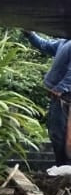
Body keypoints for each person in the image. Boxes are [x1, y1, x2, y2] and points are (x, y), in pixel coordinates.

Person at [28, 32, 71, 167]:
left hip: (65, 96)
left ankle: (64, 166)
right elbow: (45, 45)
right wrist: (30, 34)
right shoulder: (64, 42)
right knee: (56, 133)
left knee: (60, 134)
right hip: (59, 96)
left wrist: (60, 88)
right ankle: (62, 167)